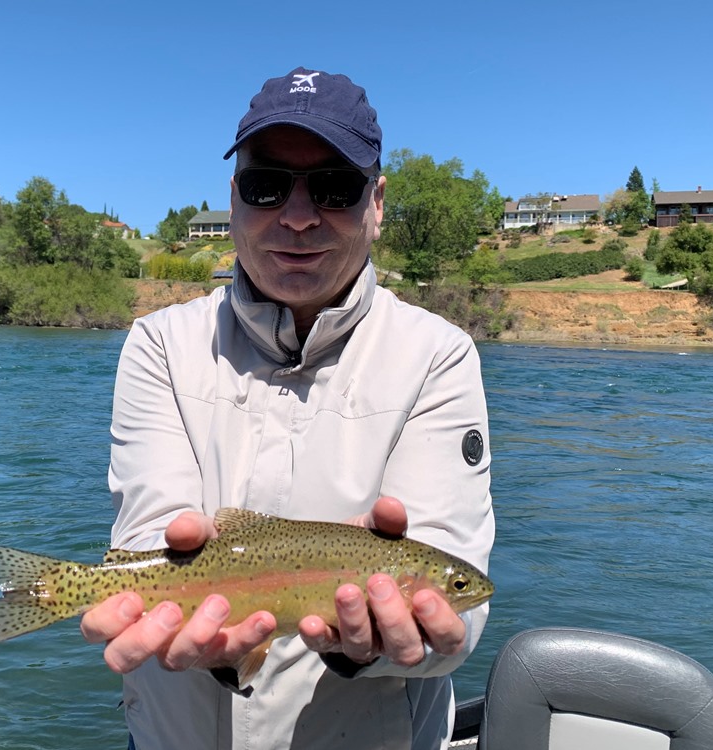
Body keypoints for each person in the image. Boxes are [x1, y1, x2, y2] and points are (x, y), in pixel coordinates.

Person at [80, 66, 495, 750]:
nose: (297, 216)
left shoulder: (438, 356)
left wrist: (383, 643)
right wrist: (185, 622)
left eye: (333, 189)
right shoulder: (158, 342)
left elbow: (456, 624)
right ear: (234, 197)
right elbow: (153, 536)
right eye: (266, 185)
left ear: (377, 202)